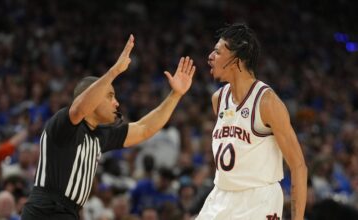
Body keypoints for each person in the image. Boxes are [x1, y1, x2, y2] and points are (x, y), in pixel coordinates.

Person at [21, 34, 196, 220]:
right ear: (93, 98)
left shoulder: (99, 135)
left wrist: (175, 95)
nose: (117, 103)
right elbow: (79, 108)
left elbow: (144, 128)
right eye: (110, 96)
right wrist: (113, 72)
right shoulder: (62, 124)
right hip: (45, 210)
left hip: (69, 212)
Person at [196, 23, 307, 220]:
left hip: (258, 200)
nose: (210, 57)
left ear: (236, 60)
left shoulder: (266, 102)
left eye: (217, 52)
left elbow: (298, 166)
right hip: (221, 196)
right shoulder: (218, 99)